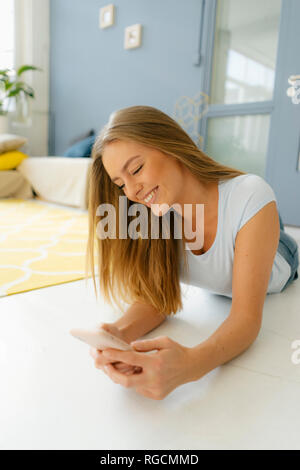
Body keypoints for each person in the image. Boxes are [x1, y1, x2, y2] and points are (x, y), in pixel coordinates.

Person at [85, 105, 299, 400]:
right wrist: (118, 333)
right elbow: (156, 300)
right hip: (223, 277)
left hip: (282, 258)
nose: (132, 191)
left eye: (136, 169)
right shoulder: (154, 219)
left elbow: (246, 319)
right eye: (121, 184)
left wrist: (190, 364)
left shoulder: (249, 193)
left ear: (170, 146)